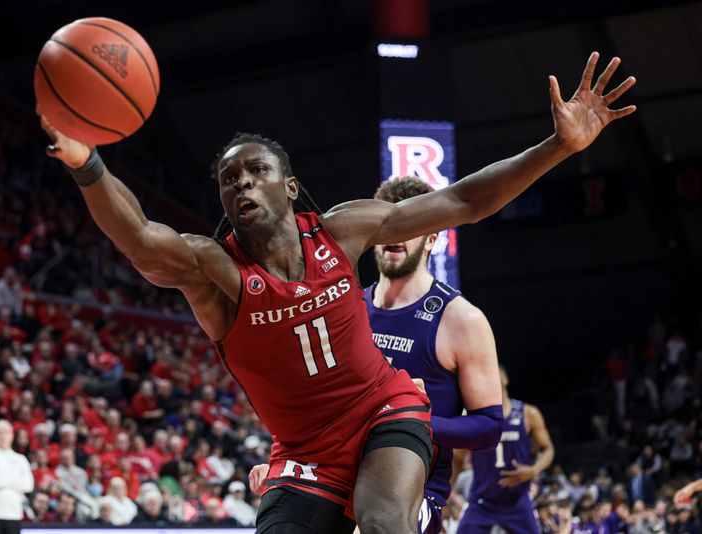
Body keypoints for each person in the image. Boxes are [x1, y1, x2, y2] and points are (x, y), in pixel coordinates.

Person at [39, 52, 635, 534]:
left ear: (291, 186)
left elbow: (463, 201)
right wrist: (88, 162)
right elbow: (142, 240)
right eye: (228, 179)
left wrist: (558, 146)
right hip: (302, 449)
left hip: (384, 411)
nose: (241, 181)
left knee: (382, 525)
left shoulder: (344, 230)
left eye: (256, 170)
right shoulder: (214, 270)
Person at [363, 176, 503, 533]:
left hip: (413, 490)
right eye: (387, 224)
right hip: (341, 477)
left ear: (432, 239)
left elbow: (488, 427)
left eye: (411, 225)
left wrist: (411, 421)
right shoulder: (350, 309)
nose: (395, 235)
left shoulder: (462, 320)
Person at [453, 367, 555, 534]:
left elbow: (548, 448)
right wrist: (444, 492)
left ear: (505, 378)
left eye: (495, 370)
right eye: (487, 372)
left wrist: (533, 470)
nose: (491, 375)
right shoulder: (472, 417)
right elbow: (457, 457)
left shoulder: (528, 413)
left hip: (517, 500)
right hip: (482, 501)